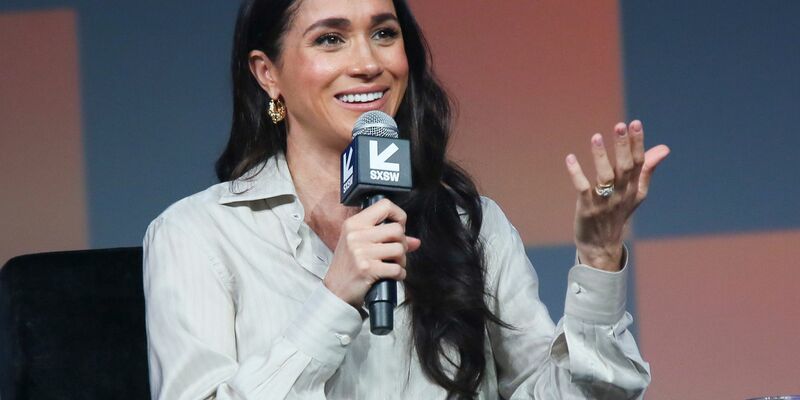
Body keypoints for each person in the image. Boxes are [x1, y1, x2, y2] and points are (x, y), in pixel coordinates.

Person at [143, 0, 670, 399]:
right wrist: (333, 300)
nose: (368, 63)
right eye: (330, 39)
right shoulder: (197, 234)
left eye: (384, 33)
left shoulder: (469, 224)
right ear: (268, 74)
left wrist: (600, 259)